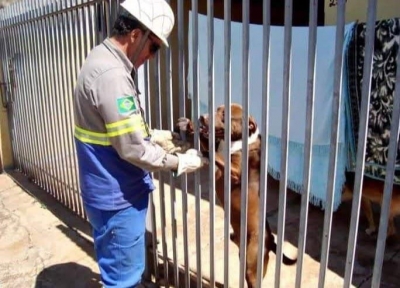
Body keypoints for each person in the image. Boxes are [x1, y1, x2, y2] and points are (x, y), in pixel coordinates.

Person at [73, 0, 207, 287]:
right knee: (123, 279)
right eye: (154, 47)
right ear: (135, 35)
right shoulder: (112, 76)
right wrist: (179, 162)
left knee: (116, 269)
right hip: (117, 197)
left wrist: (157, 135)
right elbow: (133, 149)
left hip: (105, 189)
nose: (153, 56)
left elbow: (116, 129)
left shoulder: (101, 58)